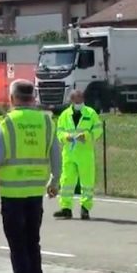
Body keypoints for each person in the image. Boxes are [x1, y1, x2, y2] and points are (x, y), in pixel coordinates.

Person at [0, 79, 61, 273]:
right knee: (33, 241)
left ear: (12, 98)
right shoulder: (47, 121)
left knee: (17, 246)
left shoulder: (6, 123)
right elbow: (56, 154)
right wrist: (55, 180)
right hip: (35, 192)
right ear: (33, 97)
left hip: (12, 193)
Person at [53, 89, 102, 220]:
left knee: (87, 182)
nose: (79, 102)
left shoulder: (90, 113)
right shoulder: (64, 115)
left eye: (81, 99)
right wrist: (65, 137)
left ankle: (85, 208)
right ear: (71, 100)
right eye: (76, 99)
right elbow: (59, 132)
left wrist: (86, 136)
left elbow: (98, 130)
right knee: (67, 181)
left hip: (85, 153)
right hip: (69, 153)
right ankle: (66, 208)